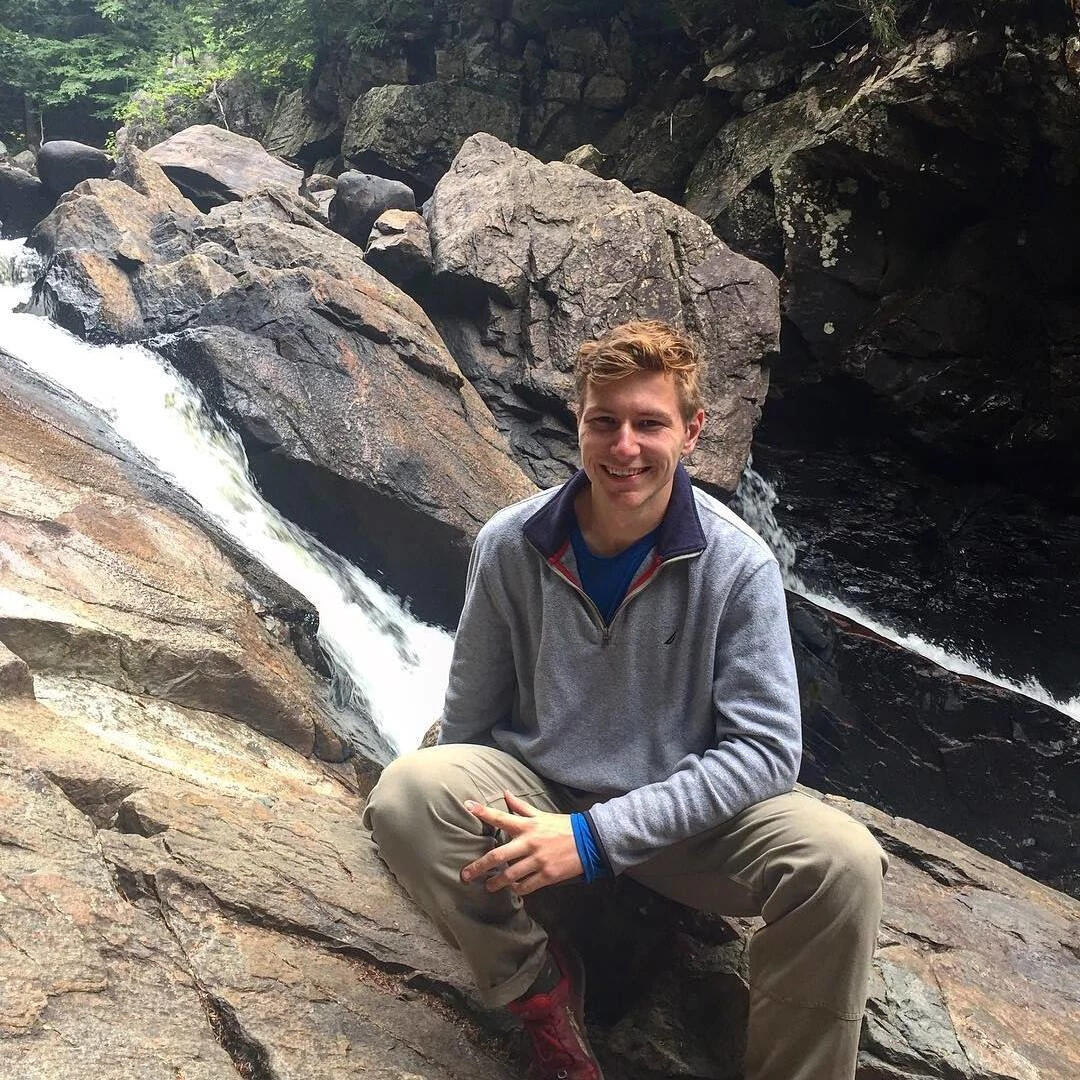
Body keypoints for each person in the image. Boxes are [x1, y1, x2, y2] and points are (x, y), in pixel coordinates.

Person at [364, 320, 888, 1080]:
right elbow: (470, 719)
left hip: (684, 822)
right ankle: (541, 993)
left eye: (650, 424)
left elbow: (767, 752)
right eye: (604, 421)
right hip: (539, 791)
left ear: (692, 432)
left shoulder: (739, 565)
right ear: (578, 422)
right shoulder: (510, 544)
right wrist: (459, 831)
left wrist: (593, 838)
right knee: (408, 792)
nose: (625, 447)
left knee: (844, 862)